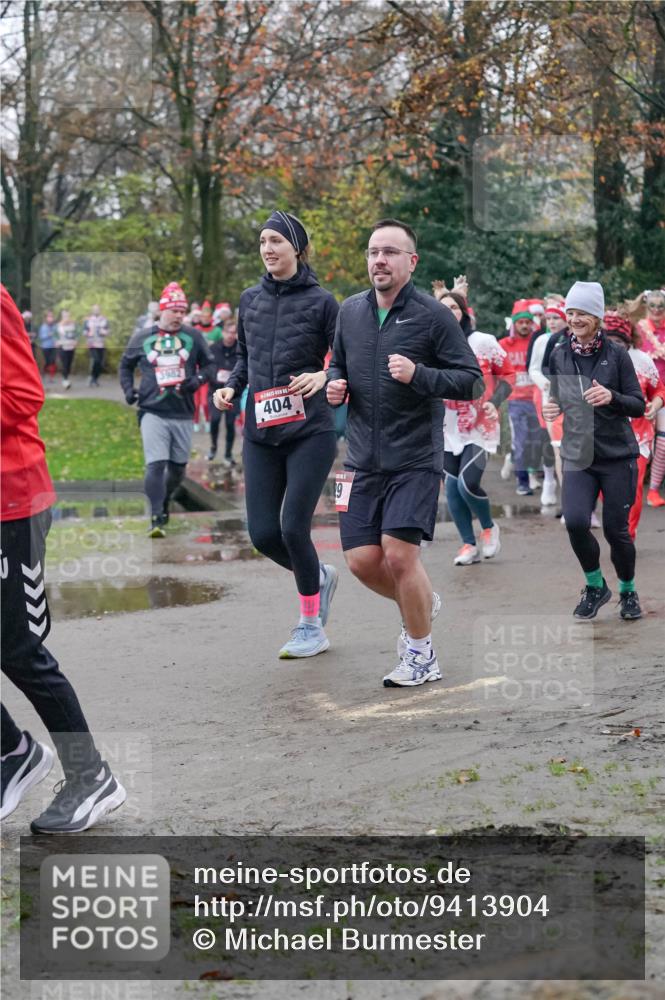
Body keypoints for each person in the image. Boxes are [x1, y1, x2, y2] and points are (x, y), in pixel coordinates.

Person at [326, 219, 482, 688]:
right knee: (358, 561)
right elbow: (337, 361)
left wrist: (419, 375)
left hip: (414, 456)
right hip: (358, 459)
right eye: (374, 251)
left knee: (398, 556)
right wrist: (335, 383)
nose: (379, 260)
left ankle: (421, 655)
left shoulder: (434, 315)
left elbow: (471, 381)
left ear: (411, 262)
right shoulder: (349, 311)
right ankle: (419, 604)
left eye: (391, 252)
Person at [0, 284, 125, 832]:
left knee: (17, 648)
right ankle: (12, 754)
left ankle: (90, 775)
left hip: (11, 500)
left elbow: (23, 394)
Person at [214, 210, 340, 659]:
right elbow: (244, 360)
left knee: (292, 527)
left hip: (310, 430)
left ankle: (311, 624)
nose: (268, 248)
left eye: (277, 241)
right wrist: (230, 386)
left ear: (296, 248)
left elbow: (344, 359)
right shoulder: (249, 299)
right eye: (263, 241)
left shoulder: (324, 302)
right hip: (260, 431)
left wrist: (323, 376)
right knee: (264, 534)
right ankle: (318, 576)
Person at [543, 282, 645, 620]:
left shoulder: (616, 354)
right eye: (570, 312)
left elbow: (638, 405)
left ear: (597, 317)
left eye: (582, 313)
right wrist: (553, 408)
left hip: (617, 456)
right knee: (574, 521)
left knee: (618, 532)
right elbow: (560, 398)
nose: (574, 319)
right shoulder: (559, 352)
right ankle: (595, 585)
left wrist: (612, 397)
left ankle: (628, 591)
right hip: (578, 453)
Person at [119, 282, 216, 537]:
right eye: (174, 311)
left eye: (182, 311)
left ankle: (163, 500)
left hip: (183, 411)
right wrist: (129, 391)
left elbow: (210, 367)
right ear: (162, 311)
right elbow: (125, 365)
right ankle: (155, 516)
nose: (179, 316)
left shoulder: (193, 337)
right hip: (152, 410)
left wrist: (197, 381)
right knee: (155, 464)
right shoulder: (142, 337)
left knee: (177, 470)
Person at [438, 290, 514, 565]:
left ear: (464, 313)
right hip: (446, 426)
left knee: (468, 483)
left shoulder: (483, 342)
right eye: (443, 308)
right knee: (451, 488)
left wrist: (495, 401)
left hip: (480, 422)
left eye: (454, 308)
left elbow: (507, 374)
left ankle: (489, 527)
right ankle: (468, 545)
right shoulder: (430, 343)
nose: (449, 313)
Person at [603, 311, 665, 538]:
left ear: (628, 341)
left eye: (618, 341)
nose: (613, 346)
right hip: (602, 436)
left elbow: (659, 389)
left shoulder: (642, 359)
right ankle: (617, 526)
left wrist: (655, 405)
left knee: (634, 487)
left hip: (637, 437)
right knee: (607, 489)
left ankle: (627, 534)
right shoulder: (592, 358)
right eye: (608, 340)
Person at [501, 300, 542, 495]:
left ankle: (526, 469)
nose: (524, 325)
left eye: (527, 322)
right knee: (521, 441)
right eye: (520, 322)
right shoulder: (504, 344)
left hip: (536, 399)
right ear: (514, 324)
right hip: (515, 401)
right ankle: (523, 482)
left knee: (535, 442)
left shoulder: (538, 342)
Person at [636, 289, 665, 507]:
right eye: (652, 305)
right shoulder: (639, 329)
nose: (656, 310)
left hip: (662, 394)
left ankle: (653, 490)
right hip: (641, 390)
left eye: (661, 306)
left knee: (663, 442)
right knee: (641, 441)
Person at [208, 320, 240, 465]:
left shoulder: (240, 348)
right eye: (228, 332)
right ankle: (213, 447)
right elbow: (206, 366)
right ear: (223, 333)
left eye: (234, 333)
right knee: (214, 420)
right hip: (215, 391)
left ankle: (228, 453)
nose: (230, 336)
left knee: (230, 423)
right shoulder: (213, 348)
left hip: (233, 393)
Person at [83, 304, 109, 386]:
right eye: (94, 309)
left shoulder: (104, 319)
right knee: (96, 360)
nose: (96, 310)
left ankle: (95, 378)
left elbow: (108, 330)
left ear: (100, 310)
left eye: (97, 309)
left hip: (101, 343)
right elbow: (84, 331)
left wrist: (104, 332)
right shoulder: (88, 320)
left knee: (100, 363)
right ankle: (92, 377)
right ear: (92, 310)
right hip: (92, 343)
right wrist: (88, 333)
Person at [56, 309, 78, 389]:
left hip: (71, 347)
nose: (66, 317)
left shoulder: (73, 325)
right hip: (62, 348)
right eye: (65, 315)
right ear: (62, 316)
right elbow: (54, 334)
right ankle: (65, 380)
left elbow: (77, 334)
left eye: (67, 315)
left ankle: (66, 378)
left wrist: (76, 340)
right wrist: (56, 341)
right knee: (65, 364)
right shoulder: (59, 325)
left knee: (69, 365)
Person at [37, 310, 58, 383]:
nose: (51, 318)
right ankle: (42, 373)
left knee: (53, 361)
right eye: (49, 316)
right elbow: (41, 337)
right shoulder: (43, 327)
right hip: (46, 347)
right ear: (46, 318)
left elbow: (57, 335)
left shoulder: (55, 326)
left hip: (54, 346)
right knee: (48, 362)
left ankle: (51, 378)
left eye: (52, 316)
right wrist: (48, 335)